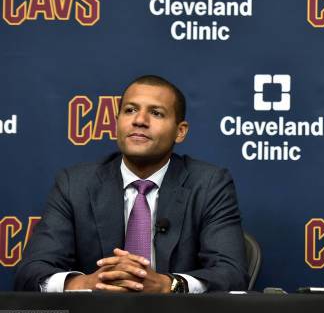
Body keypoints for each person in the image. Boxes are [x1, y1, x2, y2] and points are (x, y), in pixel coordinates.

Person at [15, 75, 248, 293]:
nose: (139, 120)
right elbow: (31, 273)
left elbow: (231, 273)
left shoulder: (209, 184)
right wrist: (85, 283)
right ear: (117, 122)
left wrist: (168, 285)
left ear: (180, 131)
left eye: (156, 113)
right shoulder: (74, 184)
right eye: (130, 110)